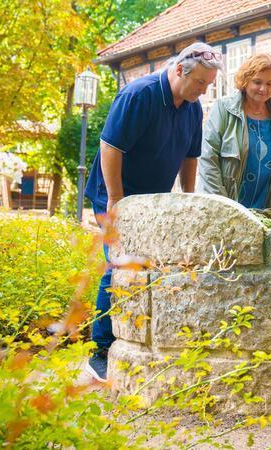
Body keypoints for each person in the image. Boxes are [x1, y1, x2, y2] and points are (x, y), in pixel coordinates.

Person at [83, 42, 223, 382]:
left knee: (146, 268)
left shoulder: (192, 106)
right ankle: (98, 351)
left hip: (153, 199)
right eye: (201, 83)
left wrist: (188, 199)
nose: (204, 90)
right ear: (179, 71)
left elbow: (191, 156)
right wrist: (116, 198)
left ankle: (132, 340)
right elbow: (110, 145)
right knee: (116, 265)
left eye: (208, 85)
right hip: (115, 194)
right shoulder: (139, 94)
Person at [198, 53, 271, 208]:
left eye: (270, 83)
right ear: (245, 80)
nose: (263, 89)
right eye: (257, 82)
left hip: (266, 208)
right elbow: (208, 159)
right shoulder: (224, 109)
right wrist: (224, 207)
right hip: (226, 206)